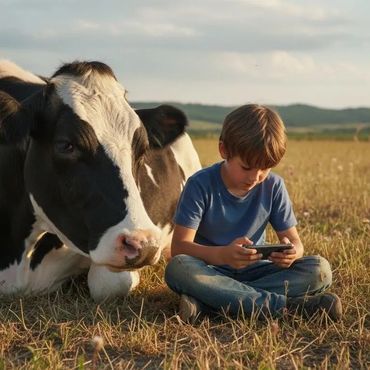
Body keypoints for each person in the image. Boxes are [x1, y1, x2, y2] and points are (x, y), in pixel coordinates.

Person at [165, 104, 342, 323]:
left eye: (265, 168)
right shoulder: (199, 185)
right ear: (224, 151)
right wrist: (224, 255)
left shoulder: (274, 186)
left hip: (258, 271)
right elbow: (180, 248)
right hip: (211, 271)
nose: (256, 176)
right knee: (179, 267)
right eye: (247, 167)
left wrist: (291, 253)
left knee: (319, 269)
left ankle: (211, 303)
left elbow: (296, 242)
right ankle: (286, 307)